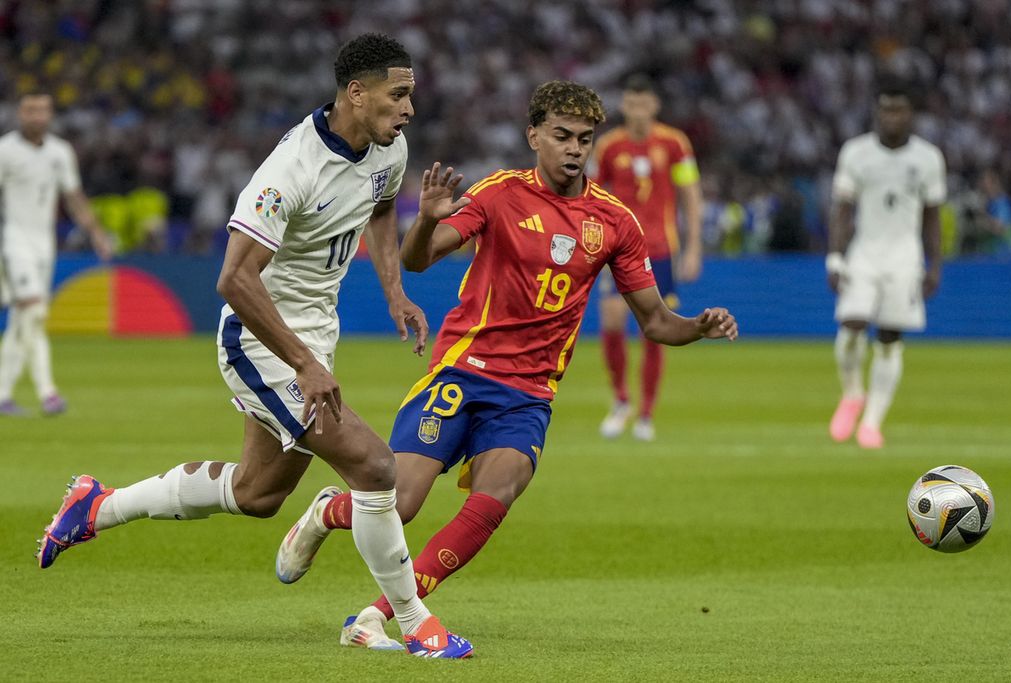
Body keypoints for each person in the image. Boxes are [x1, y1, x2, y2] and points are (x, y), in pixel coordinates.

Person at [34, 33, 473, 659]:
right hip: (259, 340)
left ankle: (96, 506)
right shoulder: (288, 171)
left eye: (410, 96)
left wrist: (395, 291)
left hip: (314, 335)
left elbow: (378, 211)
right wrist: (303, 363)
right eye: (398, 95)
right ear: (356, 93)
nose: (408, 109)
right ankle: (413, 622)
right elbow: (234, 279)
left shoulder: (389, 148)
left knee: (257, 495)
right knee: (376, 468)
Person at [274, 80, 737, 648]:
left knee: (497, 495)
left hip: (529, 392)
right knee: (404, 503)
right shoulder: (497, 194)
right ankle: (327, 513)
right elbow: (419, 260)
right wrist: (425, 219)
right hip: (464, 371)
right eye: (562, 136)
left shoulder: (614, 222)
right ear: (533, 135)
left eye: (584, 139)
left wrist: (699, 327)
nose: (574, 148)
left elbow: (658, 323)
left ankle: (379, 616)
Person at [827, 79, 946, 449]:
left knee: (890, 337)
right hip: (864, 253)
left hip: (904, 257)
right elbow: (843, 209)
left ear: (911, 114)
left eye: (899, 109)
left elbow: (932, 216)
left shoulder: (928, 158)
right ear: (876, 112)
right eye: (885, 109)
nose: (891, 116)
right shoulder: (856, 152)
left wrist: (934, 265)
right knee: (851, 326)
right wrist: (835, 256)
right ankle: (852, 393)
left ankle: (872, 422)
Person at [590, 74, 704, 441]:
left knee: (654, 331)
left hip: (660, 249)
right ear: (623, 106)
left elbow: (690, 194)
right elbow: (590, 196)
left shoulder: (674, 143)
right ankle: (621, 400)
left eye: (644, 104)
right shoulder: (609, 146)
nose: (637, 111)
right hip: (618, 248)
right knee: (610, 321)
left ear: (654, 106)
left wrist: (694, 246)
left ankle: (646, 413)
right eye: (631, 104)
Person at [0, 92, 113, 416]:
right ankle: (48, 392)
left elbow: (73, 196)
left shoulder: (59, 152)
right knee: (33, 312)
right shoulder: (5, 151)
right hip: (14, 241)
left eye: (43, 111)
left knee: (25, 320)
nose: (37, 116)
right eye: (30, 110)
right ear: (20, 114)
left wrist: (97, 233)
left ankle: (4, 394)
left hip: (44, 244)